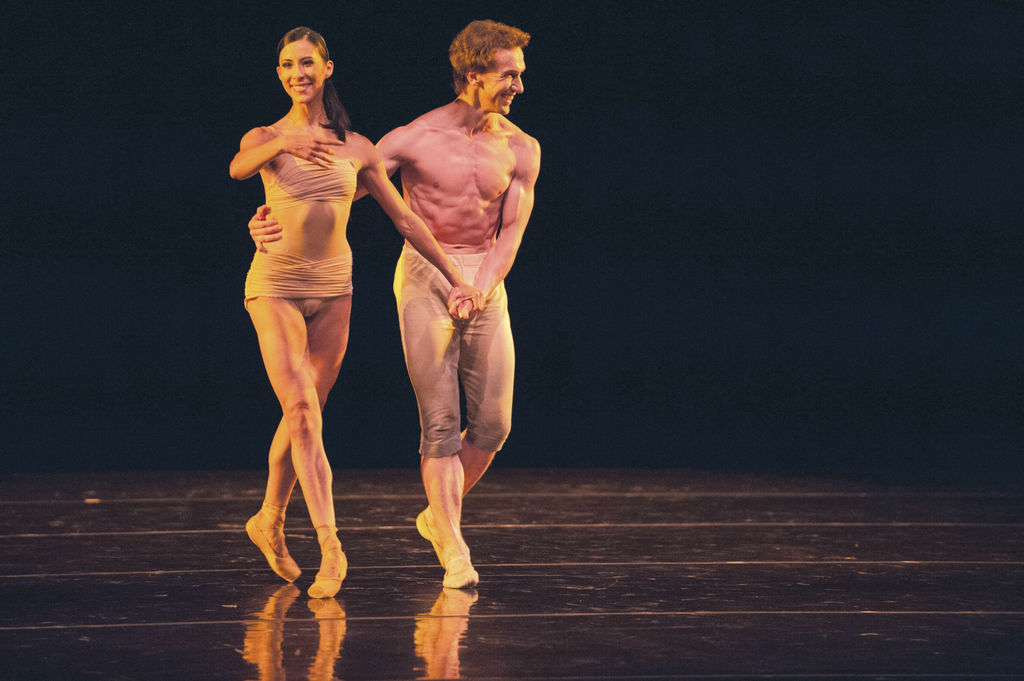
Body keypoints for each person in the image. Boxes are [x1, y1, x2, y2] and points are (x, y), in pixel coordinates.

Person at [249, 20, 540, 590]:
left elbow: (510, 236)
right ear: (473, 75)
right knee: (439, 423)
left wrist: (479, 285)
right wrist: (266, 218)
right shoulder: (413, 138)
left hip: (484, 278)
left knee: (494, 426)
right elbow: (333, 189)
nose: (519, 87)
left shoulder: (521, 147)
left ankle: (436, 515)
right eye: (510, 75)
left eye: (520, 75)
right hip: (424, 277)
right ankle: (453, 546)